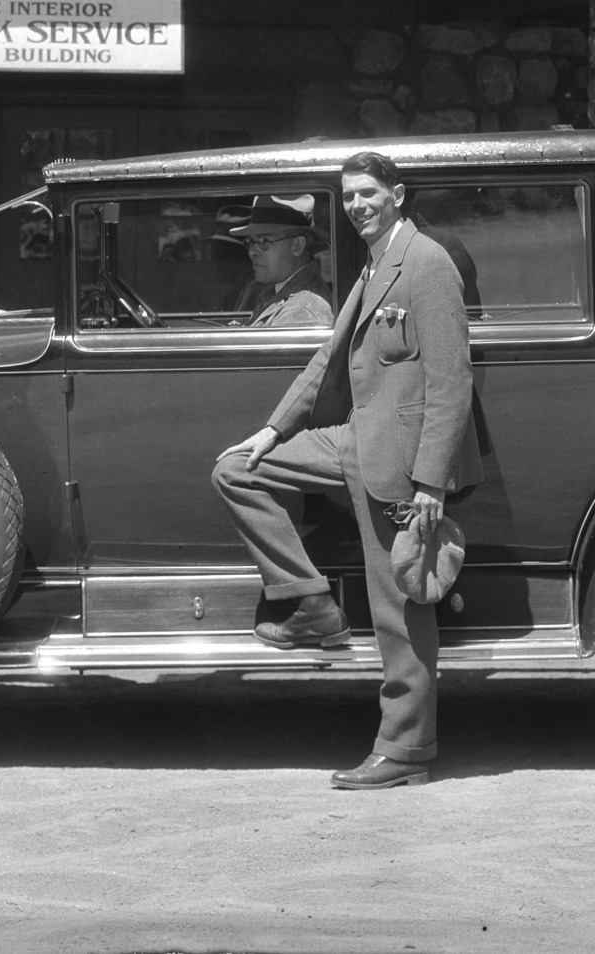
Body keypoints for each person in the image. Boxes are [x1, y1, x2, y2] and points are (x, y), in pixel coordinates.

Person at [211, 151, 480, 789]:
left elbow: (451, 382)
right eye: (349, 196)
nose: (358, 205)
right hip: (353, 440)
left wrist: (429, 484)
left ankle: (406, 750)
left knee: (400, 609)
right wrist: (272, 431)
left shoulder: (426, 263)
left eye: (368, 193)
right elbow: (326, 360)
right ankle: (309, 602)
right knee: (235, 470)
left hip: (400, 463)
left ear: (398, 194)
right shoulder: (373, 264)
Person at [235, 195, 334, 327]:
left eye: (263, 241)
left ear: (297, 246)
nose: (252, 251)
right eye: (250, 242)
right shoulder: (276, 288)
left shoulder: (301, 314)